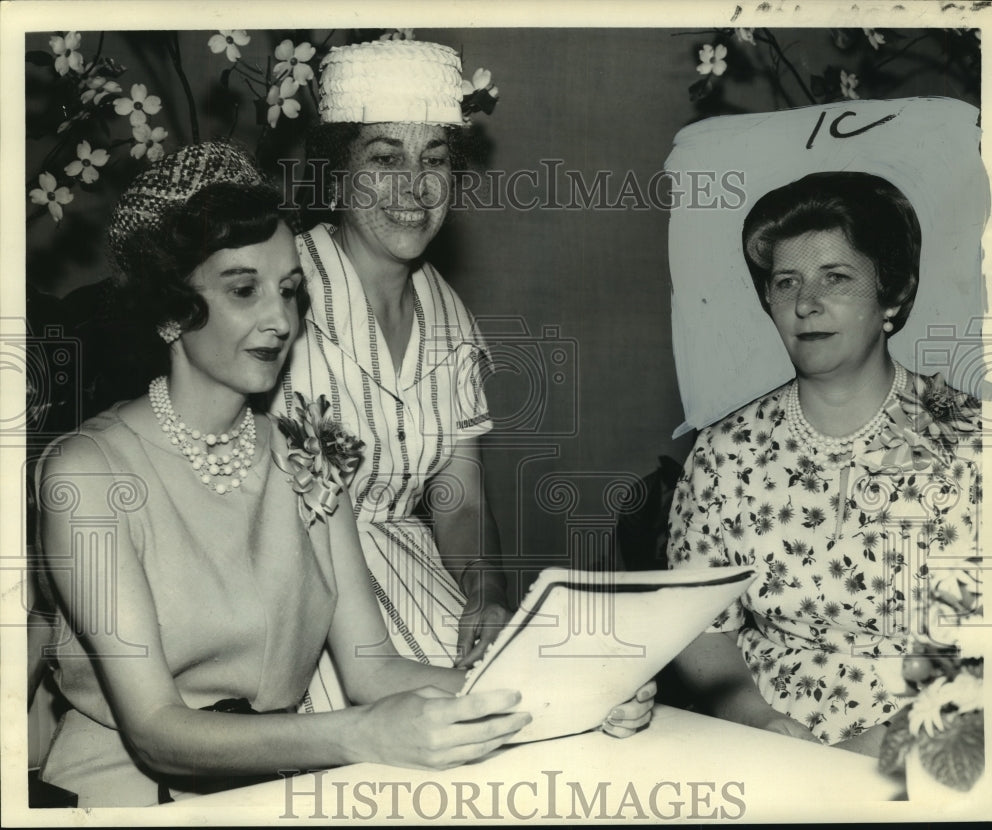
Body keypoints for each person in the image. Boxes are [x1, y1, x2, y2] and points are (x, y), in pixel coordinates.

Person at [32, 141, 655, 807]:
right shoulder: (87, 473)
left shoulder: (310, 458)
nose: (279, 320)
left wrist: (570, 690)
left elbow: (373, 668)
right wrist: (362, 735)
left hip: (273, 794)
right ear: (169, 308)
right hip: (123, 802)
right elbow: (158, 732)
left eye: (291, 291)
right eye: (244, 290)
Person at [664, 172, 982, 755]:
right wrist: (751, 714)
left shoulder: (972, 441)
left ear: (893, 293)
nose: (806, 303)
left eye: (836, 277)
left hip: (934, 736)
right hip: (764, 738)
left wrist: (879, 752)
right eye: (787, 282)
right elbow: (701, 629)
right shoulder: (724, 451)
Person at [276, 38, 508, 690]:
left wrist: (485, 593)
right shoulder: (276, 291)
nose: (415, 185)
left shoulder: (451, 317)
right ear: (335, 173)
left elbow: (459, 505)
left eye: (434, 159)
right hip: (298, 599)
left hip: (418, 582)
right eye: (385, 159)